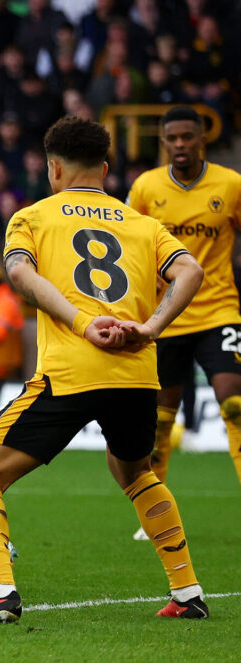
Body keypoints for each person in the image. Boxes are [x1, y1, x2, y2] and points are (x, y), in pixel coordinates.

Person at [0, 117, 207, 623]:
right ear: (104, 169)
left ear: (53, 168)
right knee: (133, 471)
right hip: (136, 373)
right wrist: (150, 327)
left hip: (72, 372)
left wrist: (83, 323)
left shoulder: (32, 217)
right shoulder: (143, 223)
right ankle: (187, 592)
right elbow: (191, 271)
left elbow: (19, 273)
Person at [126, 106, 241, 540]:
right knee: (159, 418)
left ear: (200, 141)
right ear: (162, 142)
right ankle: (156, 511)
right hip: (165, 317)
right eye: (171, 138)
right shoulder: (145, 188)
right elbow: (127, 245)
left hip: (218, 310)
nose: (179, 145)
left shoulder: (230, 185)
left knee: (234, 402)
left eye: (186, 137)